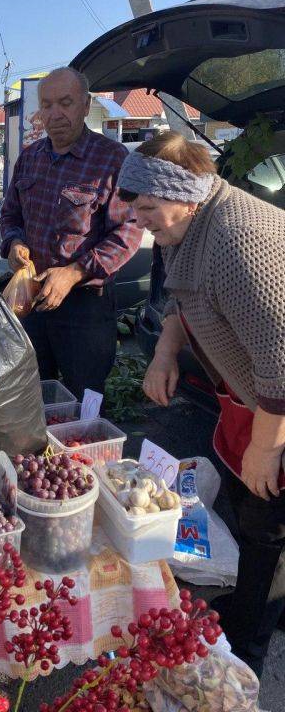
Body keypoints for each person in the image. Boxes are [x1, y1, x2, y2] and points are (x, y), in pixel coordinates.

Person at [117, 131, 285, 678]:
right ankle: (253, 607)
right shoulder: (186, 229)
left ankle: (251, 652)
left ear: (185, 194)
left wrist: (265, 448)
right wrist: (166, 351)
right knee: (252, 510)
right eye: (134, 207)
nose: (140, 220)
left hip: (275, 403)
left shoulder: (239, 240)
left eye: (148, 207)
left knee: (267, 514)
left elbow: (280, 361)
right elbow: (178, 297)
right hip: (248, 398)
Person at [0, 67, 142, 399]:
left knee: (87, 397)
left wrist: (73, 273)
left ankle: (89, 450)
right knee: (32, 394)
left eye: (65, 102)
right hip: (32, 300)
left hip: (85, 307)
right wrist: (14, 242)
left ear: (85, 104)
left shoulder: (111, 159)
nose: (55, 114)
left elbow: (128, 232)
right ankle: (39, 452)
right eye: (47, 105)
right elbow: (11, 214)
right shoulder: (30, 158)